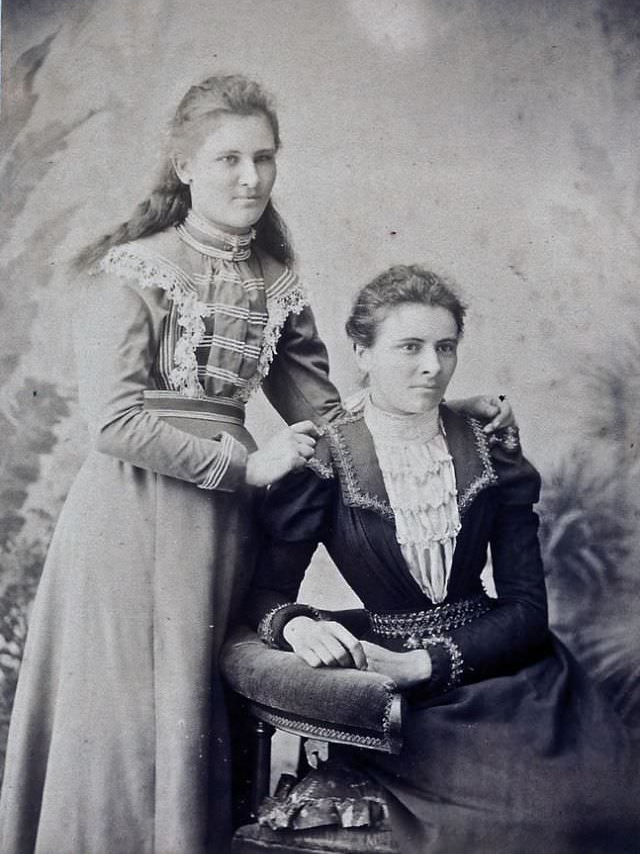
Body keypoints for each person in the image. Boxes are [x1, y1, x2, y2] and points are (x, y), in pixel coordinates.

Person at [0, 77, 512, 854]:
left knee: (203, 708)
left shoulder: (275, 282)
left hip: (227, 531)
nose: (249, 178)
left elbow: (331, 419)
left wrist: (439, 411)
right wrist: (244, 469)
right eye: (227, 159)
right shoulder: (133, 271)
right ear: (181, 165)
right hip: (131, 521)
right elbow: (114, 422)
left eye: (263, 159)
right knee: (127, 719)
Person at [246, 265, 638, 854]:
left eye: (445, 347)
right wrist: (297, 623)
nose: (432, 366)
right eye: (410, 347)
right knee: (503, 829)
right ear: (362, 352)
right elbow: (262, 594)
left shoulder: (491, 448)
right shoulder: (325, 461)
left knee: (609, 809)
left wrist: (425, 664)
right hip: (399, 702)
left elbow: (529, 611)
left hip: (510, 672)